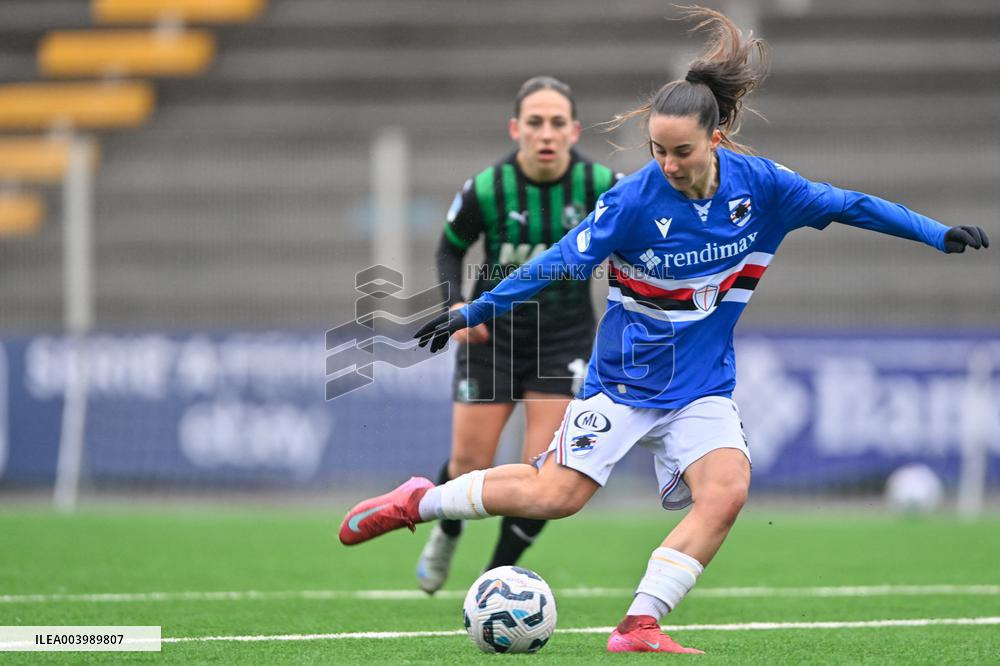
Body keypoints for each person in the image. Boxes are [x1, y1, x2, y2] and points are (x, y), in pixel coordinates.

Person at [339, 6, 990, 654]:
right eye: (657, 150)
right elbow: (560, 262)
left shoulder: (764, 188)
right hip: (621, 385)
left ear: (717, 136)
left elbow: (851, 204)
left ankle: (639, 624)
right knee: (553, 497)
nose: (667, 165)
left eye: (681, 151)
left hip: (702, 388)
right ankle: (419, 501)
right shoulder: (632, 201)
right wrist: (471, 311)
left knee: (729, 490)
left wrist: (935, 234)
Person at [417, 76, 621, 594]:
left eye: (557, 123)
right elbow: (449, 248)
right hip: (495, 339)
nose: (546, 133)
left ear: (574, 130)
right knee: (469, 463)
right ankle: (446, 530)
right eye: (535, 122)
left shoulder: (604, 186)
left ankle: (493, 579)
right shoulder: (488, 188)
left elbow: (635, 245)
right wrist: (457, 306)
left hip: (564, 342)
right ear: (516, 128)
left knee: (544, 474)